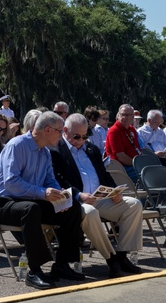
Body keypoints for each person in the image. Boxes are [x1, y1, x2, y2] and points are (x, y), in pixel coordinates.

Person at [0, 111, 86, 289]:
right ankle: (34, 270)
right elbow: (11, 183)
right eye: (60, 130)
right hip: (5, 202)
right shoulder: (17, 145)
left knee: (72, 208)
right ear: (48, 130)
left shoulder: (45, 152)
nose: (62, 134)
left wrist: (59, 197)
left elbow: (49, 180)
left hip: (31, 200)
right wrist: (43, 193)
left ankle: (62, 265)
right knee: (31, 209)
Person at [52, 113, 144, 276]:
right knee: (90, 213)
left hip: (100, 198)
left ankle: (123, 255)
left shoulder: (91, 149)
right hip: (77, 201)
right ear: (65, 130)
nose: (81, 140)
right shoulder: (56, 149)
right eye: (77, 136)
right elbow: (58, 180)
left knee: (134, 205)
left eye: (85, 136)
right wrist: (79, 195)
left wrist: (115, 191)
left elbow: (104, 174)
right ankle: (111, 258)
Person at [104, 104, 142, 180]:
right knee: (149, 176)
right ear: (118, 116)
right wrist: (137, 164)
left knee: (158, 171)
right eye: (123, 114)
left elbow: (137, 148)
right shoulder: (114, 131)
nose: (125, 117)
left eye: (129, 115)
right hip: (122, 168)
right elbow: (120, 156)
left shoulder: (131, 129)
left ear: (133, 117)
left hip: (134, 165)